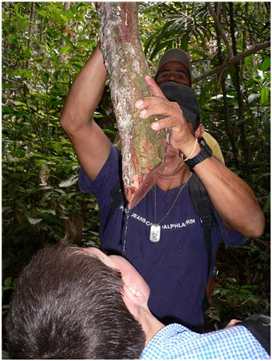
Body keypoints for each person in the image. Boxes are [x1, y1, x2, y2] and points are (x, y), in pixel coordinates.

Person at [60, 46, 265, 330]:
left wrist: (190, 147)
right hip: (112, 339)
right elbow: (74, 122)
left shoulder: (208, 193)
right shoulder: (119, 177)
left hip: (183, 343)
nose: (166, 145)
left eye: (175, 131)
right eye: (155, 130)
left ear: (197, 132)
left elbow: (254, 225)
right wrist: (112, 35)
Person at [5, 244, 270, 359]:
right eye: (103, 255)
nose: (111, 252)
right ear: (129, 291)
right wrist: (245, 336)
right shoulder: (252, 342)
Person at [155, 48, 224, 163]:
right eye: (165, 74)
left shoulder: (208, 143)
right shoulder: (134, 133)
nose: (172, 78)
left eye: (180, 76)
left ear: (198, 131)